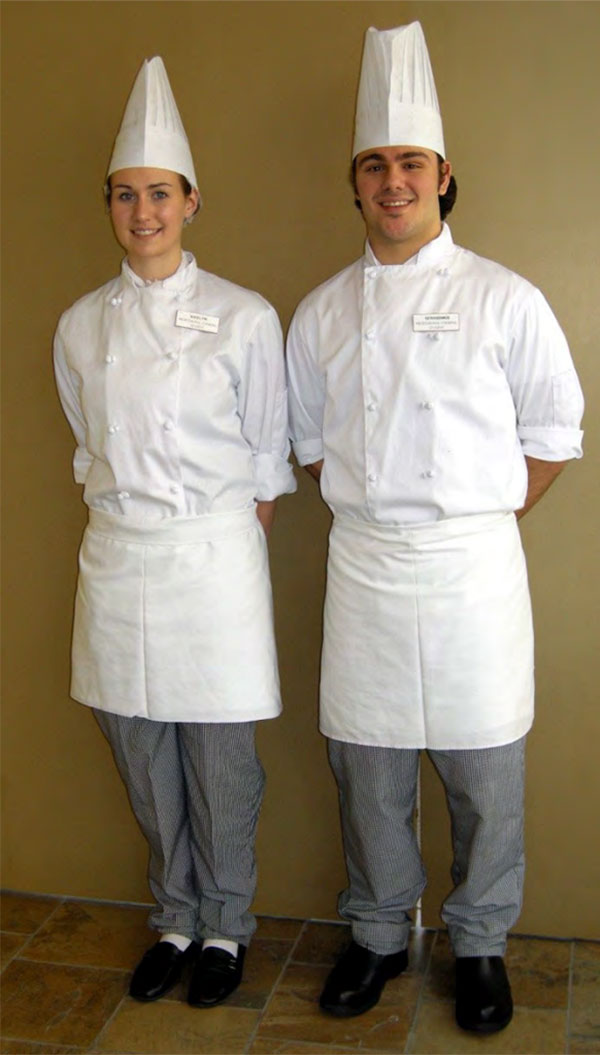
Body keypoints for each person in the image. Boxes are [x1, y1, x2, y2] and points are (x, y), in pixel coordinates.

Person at [286, 22, 583, 1034]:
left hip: (471, 571)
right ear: (356, 183)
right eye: (375, 165)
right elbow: (308, 442)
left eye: (410, 162)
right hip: (365, 567)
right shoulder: (321, 312)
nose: (393, 180)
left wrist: (476, 515)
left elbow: (555, 431)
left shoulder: (506, 298)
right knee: (367, 772)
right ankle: (377, 932)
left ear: (443, 174)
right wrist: (377, 507)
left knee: (486, 774)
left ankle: (483, 940)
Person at [54, 56, 295, 1008]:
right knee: (142, 756)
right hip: (116, 561)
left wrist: (209, 540)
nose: (142, 211)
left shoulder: (244, 317)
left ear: (192, 201)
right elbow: (87, 444)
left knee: (220, 764)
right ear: (108, 205)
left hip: (211, 560)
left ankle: (228, 925)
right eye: (125, 195)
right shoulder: (78, 326)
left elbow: (269, 462)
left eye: (159, 193)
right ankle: (176, 915)